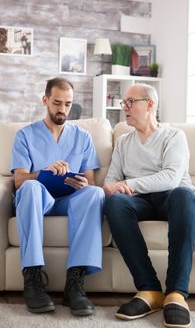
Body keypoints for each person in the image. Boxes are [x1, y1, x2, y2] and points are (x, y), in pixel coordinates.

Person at [103, 83, 195, 328]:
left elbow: (171, 178)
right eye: (124, 102)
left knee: (184, 195)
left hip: (172, 198)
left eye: (130, 102)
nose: (125, 107)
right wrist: (117, 187)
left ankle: (176, 293)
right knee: (114, 204)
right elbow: (110, 183)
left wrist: (128, 183)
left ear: (150, 104)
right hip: (140, 201)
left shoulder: (173, 136)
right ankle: (150, 290)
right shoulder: (124, 142)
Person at [11, 77, 105, 316]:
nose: (62, 109)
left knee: (94, 193)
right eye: (57, 102)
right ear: (45, 100)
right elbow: (19, 180)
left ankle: (75, 284)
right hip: (36, 200)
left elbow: (91, 181)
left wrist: (82, 183)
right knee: (31, 187)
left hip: (67, 201)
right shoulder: (25, 135)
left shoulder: (82, 137)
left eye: (67, 104)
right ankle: (32, 279)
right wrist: (43, 173)